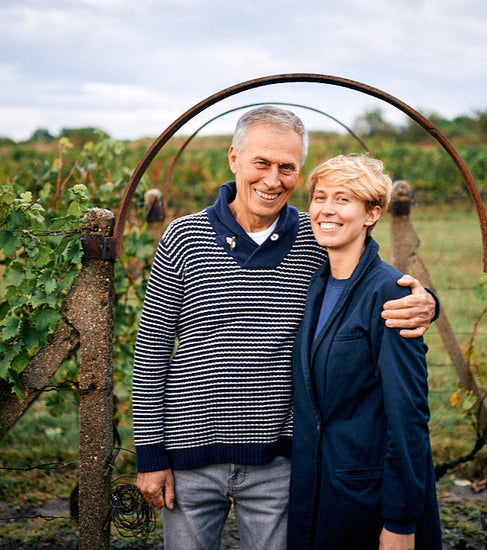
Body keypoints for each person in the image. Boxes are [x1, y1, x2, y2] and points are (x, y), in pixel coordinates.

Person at [132, 106, 438, 550]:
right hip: (187, 462)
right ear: (234, 158)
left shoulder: (314, 239)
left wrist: (428, 302)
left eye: (287, 167)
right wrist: (150, 455)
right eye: (261, 163)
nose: (273, 179)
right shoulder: (183, 237)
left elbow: (367, 280)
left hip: (280, 465)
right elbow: (152, 349)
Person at [287, 154, 441, 550]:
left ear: (372, 213)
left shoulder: (390, 293)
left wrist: (401, 521)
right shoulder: (316, 284)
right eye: (320, 197)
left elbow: (408, 415)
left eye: (343, 199)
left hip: (368, 497)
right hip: (316, 491)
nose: (326, 210)